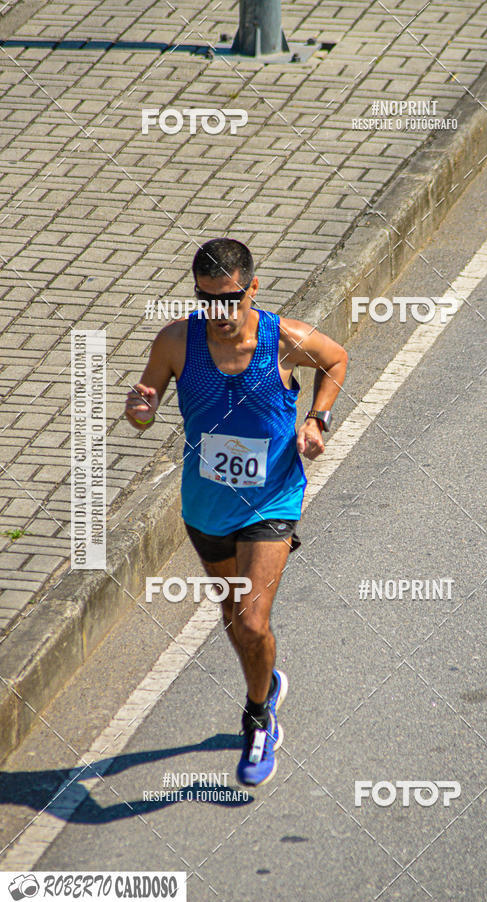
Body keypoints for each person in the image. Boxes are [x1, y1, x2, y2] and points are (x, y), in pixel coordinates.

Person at [125, 238, 348, 786]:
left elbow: (337, 358)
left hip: (271, 498)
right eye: (207, 299)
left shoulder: (282, 339)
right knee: (234, 621)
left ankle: (258, 718)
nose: (218, 313)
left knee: (251, 618)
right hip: (206, 507)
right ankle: (266, 682)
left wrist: (317, 419)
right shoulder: (177, 340)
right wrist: (141, 407)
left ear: (252, 288)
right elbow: (145, 399)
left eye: (228, 298)